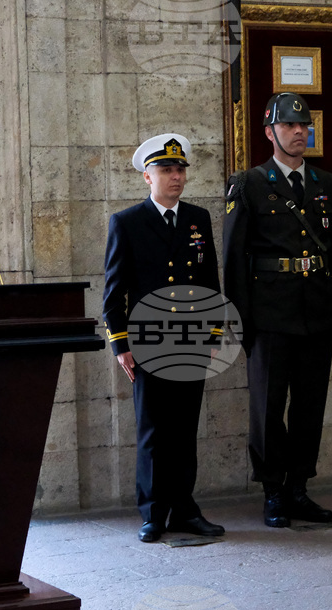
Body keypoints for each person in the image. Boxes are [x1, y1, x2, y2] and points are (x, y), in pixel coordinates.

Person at [223, 92, 332, 528]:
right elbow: (233, 258)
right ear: (269, 132)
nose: (299, 132)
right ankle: (273, 491)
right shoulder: (250, 184)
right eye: (290, 126)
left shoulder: (326, 184)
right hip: (269, 314)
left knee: (310, 406)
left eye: (304, 125)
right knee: (268, 407)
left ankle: (299, 487)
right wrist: (242, 320)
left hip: (316, 311)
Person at [102, 133, 225, 543]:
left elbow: (210, 281)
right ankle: (154, 512)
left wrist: (212, 333)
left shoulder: (197, 219)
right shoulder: (127, 222)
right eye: (166, 170)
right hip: (148, 341)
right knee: (154, 431)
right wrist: (121, 344)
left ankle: (185, 509)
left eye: (180, 169)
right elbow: (113, 291)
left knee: (184, 430)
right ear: (146, 176)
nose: (175, 177)